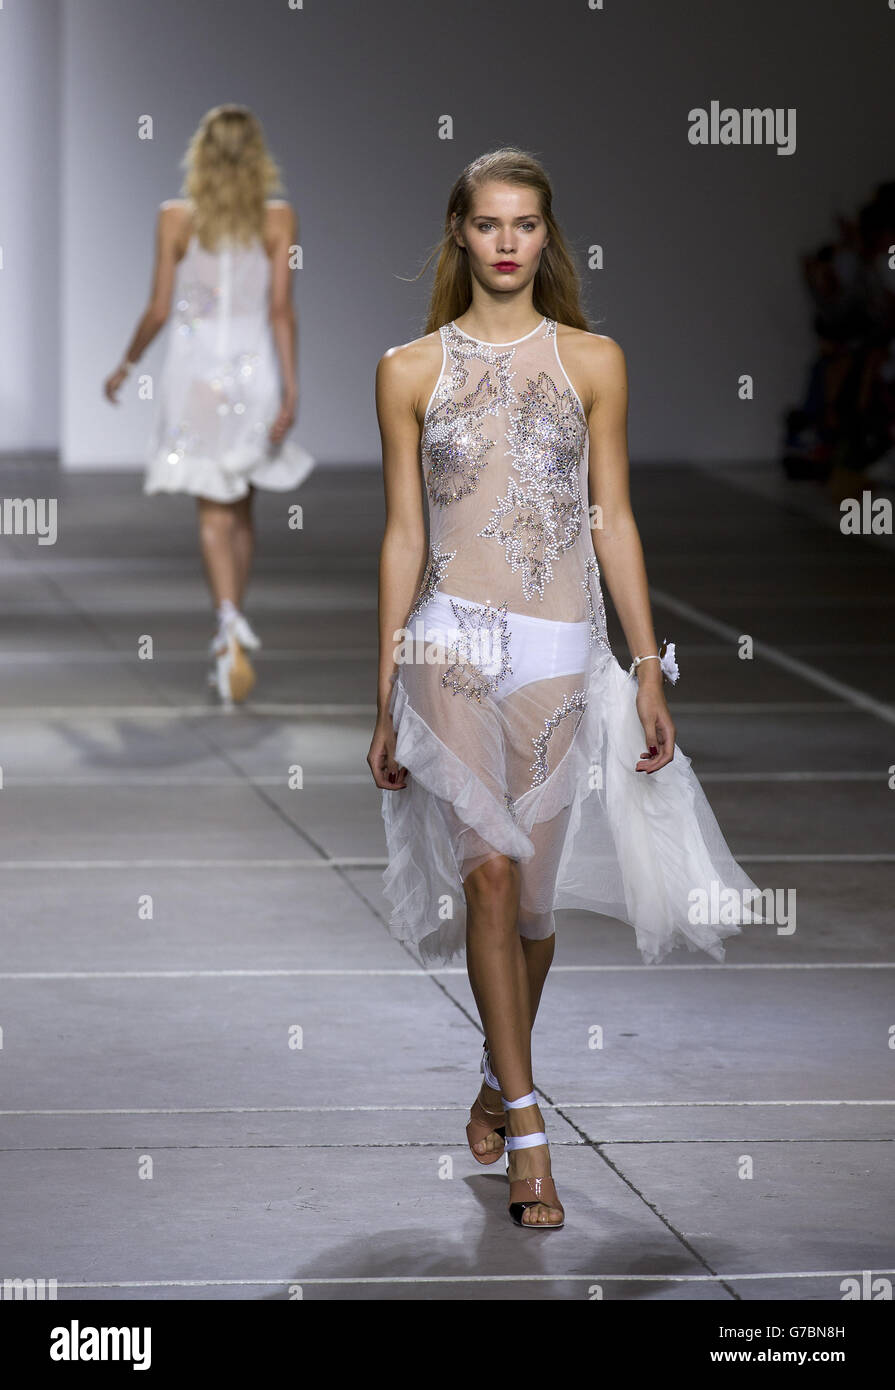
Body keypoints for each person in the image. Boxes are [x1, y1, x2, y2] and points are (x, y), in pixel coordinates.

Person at [368, 147, 762, 1231]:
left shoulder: (592, 361)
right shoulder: (408, 369)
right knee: (487, 879)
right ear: (458, 231)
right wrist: (381, 692)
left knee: (534, 908)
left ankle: (499, 1081)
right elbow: (404, 535)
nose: (505, 241)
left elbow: (614, 520)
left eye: (525, 224)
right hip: (447, 648)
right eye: (487, 222)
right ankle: (533, 1133)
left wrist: (646, 666)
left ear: (547, 237)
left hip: (561, 655)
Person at [103, 104, 314, 704]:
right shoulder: (278, 218)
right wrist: (293, 384)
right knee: (242, 507)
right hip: (254, 376)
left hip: (195, 376)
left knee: (212, 512)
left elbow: (158, 308)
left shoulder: (176, 218)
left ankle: (226, 623)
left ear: (200, 152)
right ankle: (233, 628)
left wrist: (125, 364)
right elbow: (280, 310)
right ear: (256, 155)